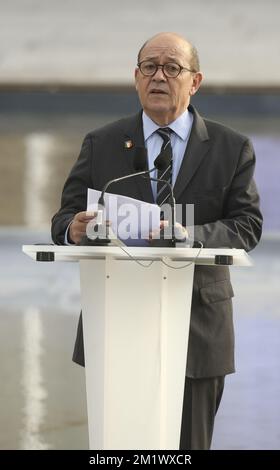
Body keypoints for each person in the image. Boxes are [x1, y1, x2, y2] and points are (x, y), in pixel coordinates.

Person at [51, 32, 262, 449]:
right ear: (136, 77)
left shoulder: (231, 147)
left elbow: (247, 225)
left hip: (198, 328)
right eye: (149, 67)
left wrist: (190, 237)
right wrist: (70, 228)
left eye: (172, 68)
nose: (159, 76)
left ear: (195, 81)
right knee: (120, 446)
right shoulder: (102, 143)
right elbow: (63, 219)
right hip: (116, 321)